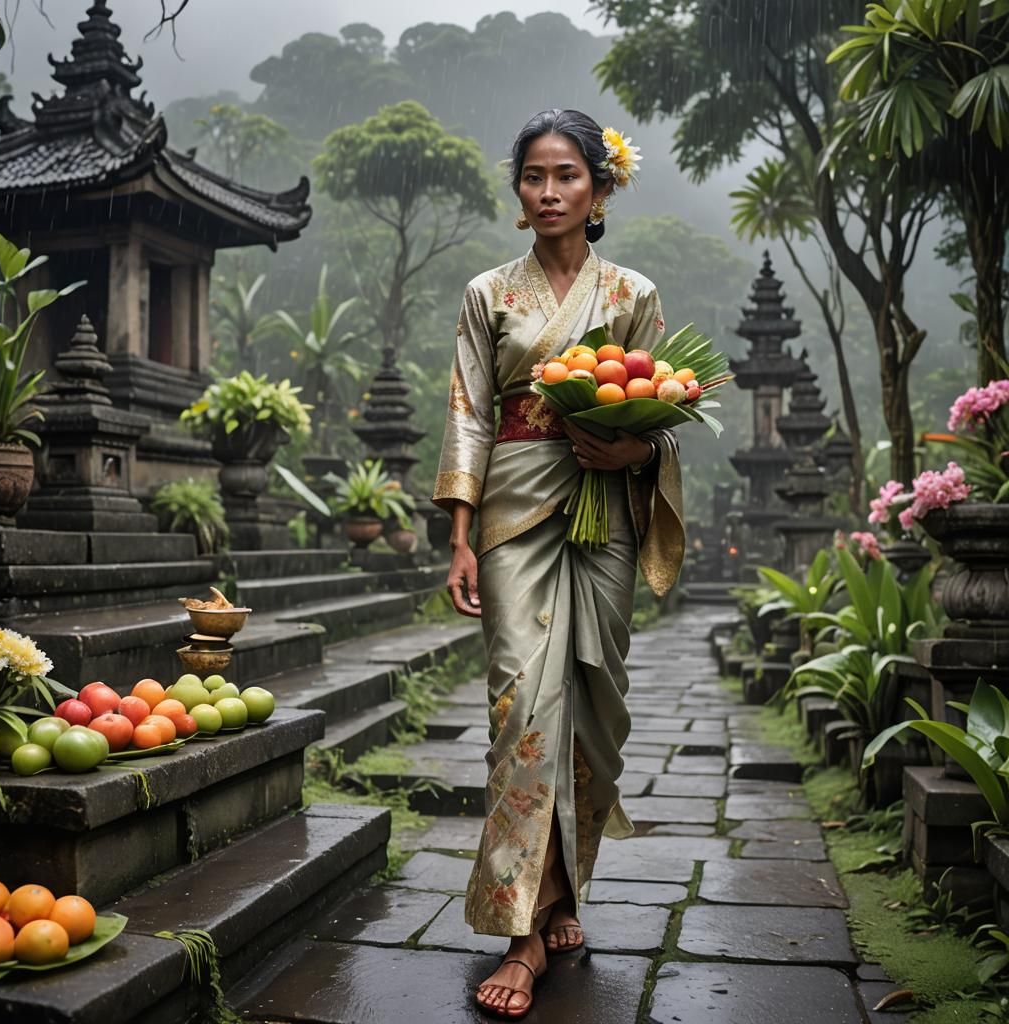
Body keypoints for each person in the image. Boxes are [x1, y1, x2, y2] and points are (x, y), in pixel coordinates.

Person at [432, 108, 685, 1019]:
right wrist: (459, 532)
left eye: (566, 175)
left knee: (595, 704)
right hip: (510, 509)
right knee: (522, 704)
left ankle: (567, 882)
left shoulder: (634, 294)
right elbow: (467, 410)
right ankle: (521, 927)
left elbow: (655, 410)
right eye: (534, 176)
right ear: (518, 189)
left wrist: (634, 456)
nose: (547, 192)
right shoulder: (487, 294)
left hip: (604, 510)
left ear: (600, 188)